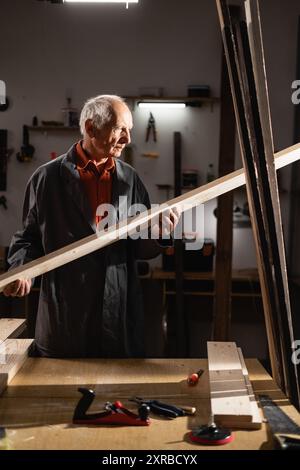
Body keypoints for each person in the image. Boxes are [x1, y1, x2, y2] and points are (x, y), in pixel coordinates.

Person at [3, 95, 179, 358]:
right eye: (120, 129)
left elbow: (139, 249)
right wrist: (21, 269)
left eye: (129, 130)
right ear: (90, 128)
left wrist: (158, 233)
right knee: (59, 394)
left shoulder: (130, 179)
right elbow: (28, 239)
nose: (128, 138)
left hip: (116, 314)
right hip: (65, 317)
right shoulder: (47, 179)